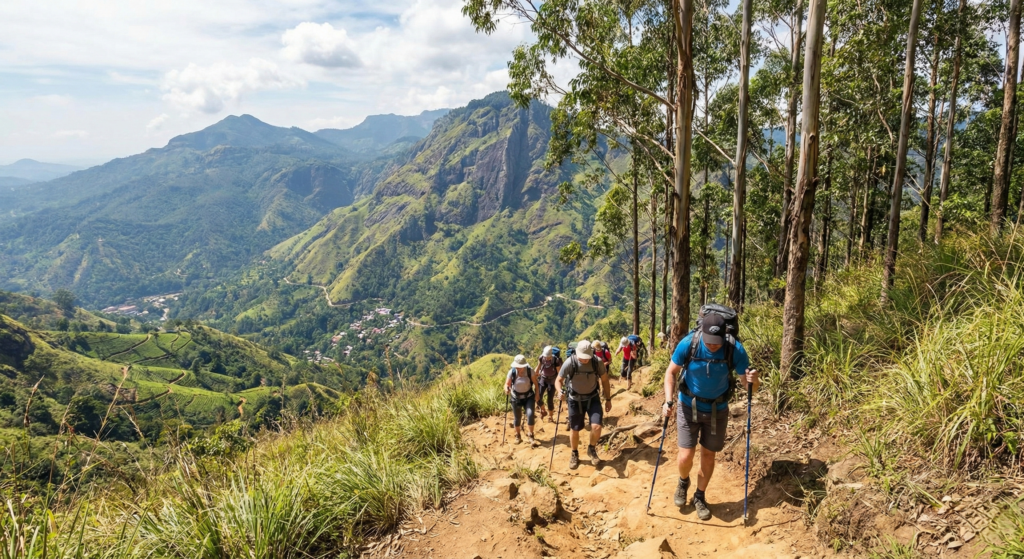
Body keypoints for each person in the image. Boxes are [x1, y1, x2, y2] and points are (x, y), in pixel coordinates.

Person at [661, 314, 759, 521]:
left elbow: (748, 386)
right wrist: (668, 401)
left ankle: (699, 496)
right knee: (685, 455)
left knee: (708, 455)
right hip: (688, 405)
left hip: (717, 410)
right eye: (709, 341)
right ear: (702, 334)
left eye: (717, 341)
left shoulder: (735, 349)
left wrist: (754, 381)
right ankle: (683, 481)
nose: (713, 345)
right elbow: (671, 373)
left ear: (724, 336)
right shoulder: (689, 343)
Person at [555, 340, 612, 469]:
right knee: (575, 429)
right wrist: (559, 391)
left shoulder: (596, 362)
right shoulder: (570, 362)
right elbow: (558, 380)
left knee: (597, 426)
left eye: (587, 357)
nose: (585, 360)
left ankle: (591, 448)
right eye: (582, 357)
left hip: (593, 398)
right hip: (574, 400)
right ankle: (574, 453)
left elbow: (604, 380)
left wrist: (608, 399)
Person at [505, 354, 541, 446]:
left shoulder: (530, 371)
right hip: (516, 397)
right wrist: (506, 388)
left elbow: (536, 384)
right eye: (517, 366)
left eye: (519, 367)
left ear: (524, 365)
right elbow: (507, 384)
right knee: (517, 417)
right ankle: (518, 436)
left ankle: (531, 435)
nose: (518, 368)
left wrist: (537, 394)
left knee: (530, 414)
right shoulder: (512, 372)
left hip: (529, 396)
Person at [536, 346, 563, 422]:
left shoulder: (555, 360)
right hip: (543, 379)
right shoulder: (541, 358)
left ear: (551, 355)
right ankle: (543, 410)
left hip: (552, 380)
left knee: (550, 399)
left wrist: (560, 383)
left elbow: (559, 373)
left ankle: (550, 416)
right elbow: (538, 367)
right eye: (546, 356)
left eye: (548, 357)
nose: (547, 358)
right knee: (538, 397)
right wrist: (534, 374)